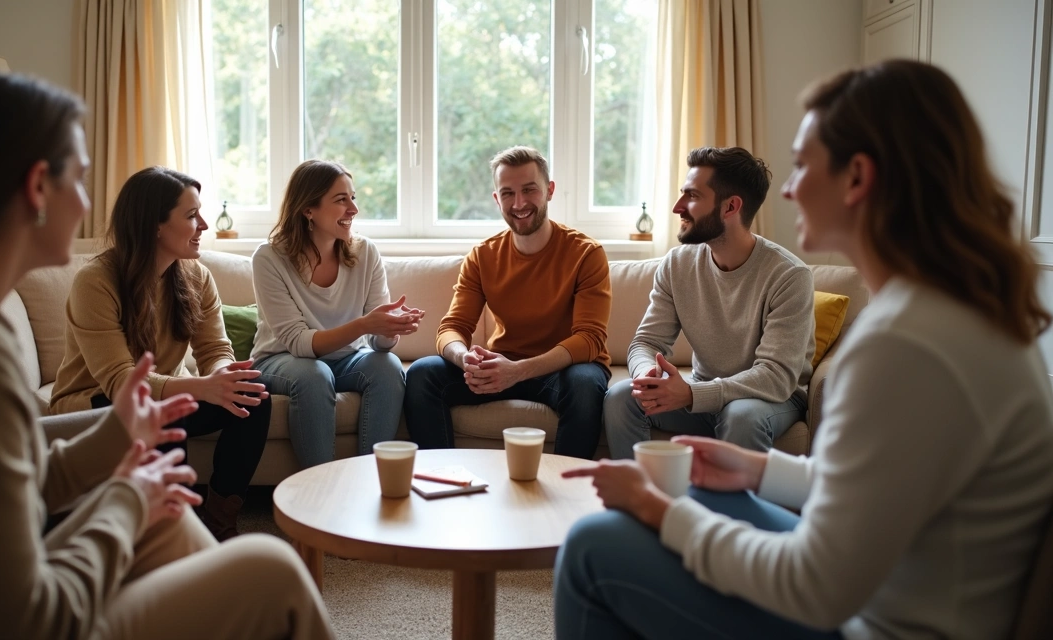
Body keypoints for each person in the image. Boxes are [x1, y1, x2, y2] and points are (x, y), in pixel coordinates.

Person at [555, 59, 1053, 639]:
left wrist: (659, 511)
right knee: (723, 498)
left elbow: (814, 587)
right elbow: (877, 492)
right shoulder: (942, 313)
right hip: (878, 585)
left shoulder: (905, 345)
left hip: (873, 623)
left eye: (800, 165)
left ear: (857, 177)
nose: (788, 189)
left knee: (592, 544)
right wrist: (761, 469)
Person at [0, 70, 333, 639]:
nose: (88, 201)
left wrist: (117, 444)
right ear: (35, 189)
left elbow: (14, 484)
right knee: (269, 571)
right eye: (80, 178)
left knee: (167, 520)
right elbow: (22, 623)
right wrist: (124, 500)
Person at [48, 166, 272, 540]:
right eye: (191, 216)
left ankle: (218, 522)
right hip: (94, 402)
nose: (203, 224)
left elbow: (214, 349)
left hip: (160, 394)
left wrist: (224, 377)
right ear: (153, 224)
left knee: (254, 396)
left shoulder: (196, 276)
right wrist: (201, 388)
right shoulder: (96, 282)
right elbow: (123, 382)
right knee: (164, 413)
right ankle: (173, 526)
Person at [604, 146, 815, 458]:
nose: (677, 207)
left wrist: (692, 394)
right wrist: (646, 372)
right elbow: (646, 341)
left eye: (691, 196)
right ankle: (640, 499)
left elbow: (775, 376)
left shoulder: (789, 275)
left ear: (730, 207)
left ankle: (729, 508)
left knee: (740, 415)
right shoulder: (678, 264)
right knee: (622, 395)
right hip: (703, 393)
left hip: (771, 399)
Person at [404, 146, 612, 459]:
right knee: (422, 373)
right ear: (496, 199)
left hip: (561, 370)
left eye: (530, 190)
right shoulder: (483, 255)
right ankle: (443, 480)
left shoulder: (585, 253)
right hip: (502, 367)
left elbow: (590, 339)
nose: (519, 203)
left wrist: (518, 370)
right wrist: (465, 359)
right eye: (508, 193)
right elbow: (452, 328)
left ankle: (567, 494)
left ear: (549, 190)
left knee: (585, 383)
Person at [251, 159, 423, 468]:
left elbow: (377, 343)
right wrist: (364, 324)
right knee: (315, 375)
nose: (353, 209)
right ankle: (320, 486)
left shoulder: (365, 251)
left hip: (345, 358)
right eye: (341, 199)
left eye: (353, 198)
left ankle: (371, 477)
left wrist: (389, 328)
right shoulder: (269, 258)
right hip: (281, 359)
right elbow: (298, 342)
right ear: (308, 209)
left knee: (388, 366)